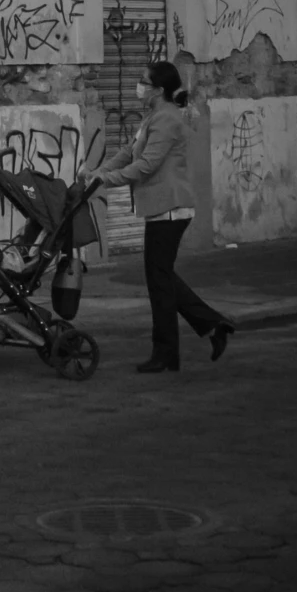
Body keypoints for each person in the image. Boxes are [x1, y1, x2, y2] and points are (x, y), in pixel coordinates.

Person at [99, 60, 235, 374]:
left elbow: (146, 165)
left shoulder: (167, 120)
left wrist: (106, 181)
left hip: (171, 209)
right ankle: (210, 326)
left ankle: (167, 352)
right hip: (162, 209)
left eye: (143, 81)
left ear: (158, 90)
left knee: (159, 281)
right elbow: (129, 152)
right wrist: (98, 172)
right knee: (162, 278)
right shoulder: (153, 117)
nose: (139, 86)